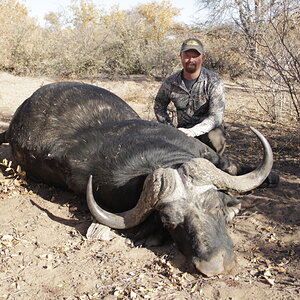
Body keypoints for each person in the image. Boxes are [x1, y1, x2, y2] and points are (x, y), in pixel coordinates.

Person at [154, 38, 226, 154]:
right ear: (180, 56)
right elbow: (159, 105)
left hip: (206, 130)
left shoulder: (214, 82)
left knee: (216, 137)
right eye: (187, 55)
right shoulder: (170, 82)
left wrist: (193, 131)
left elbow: (216, 117)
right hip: (182, 131)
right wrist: (169, 128)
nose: (190, 60)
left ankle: (216, 166)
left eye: (195, 56)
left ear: (202, 58)